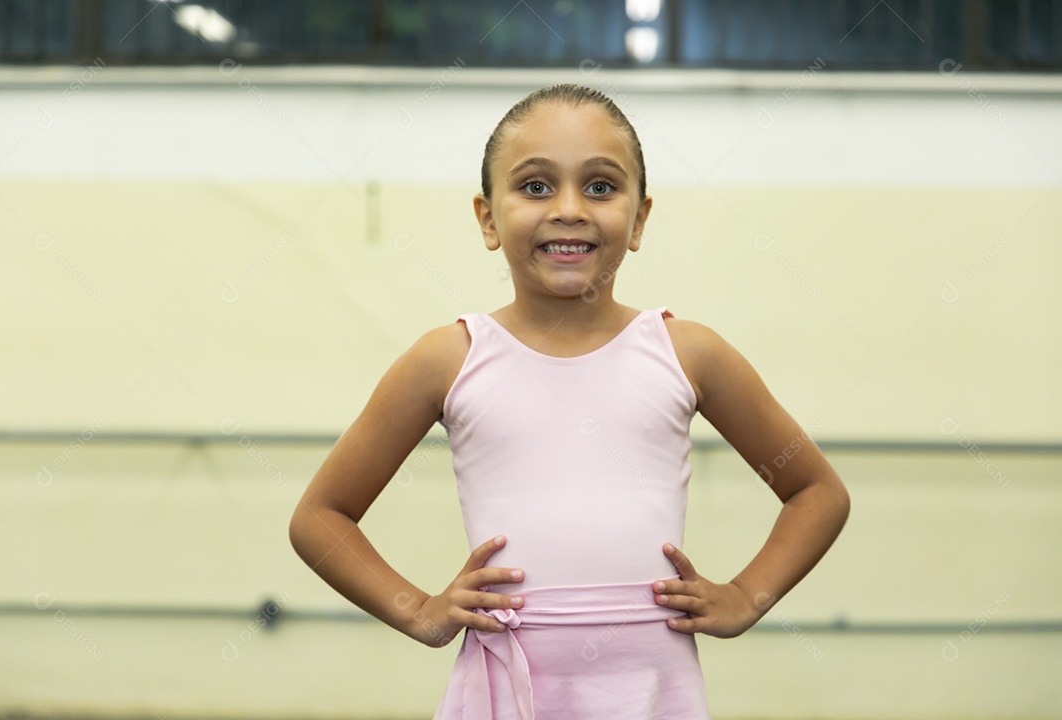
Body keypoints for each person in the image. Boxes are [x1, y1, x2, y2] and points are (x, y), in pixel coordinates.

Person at [289, 83, 851, 719]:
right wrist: (418, 609)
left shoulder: (688, 353)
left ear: (638, 219)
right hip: (508, 681)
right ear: (486, 218)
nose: (569, 209)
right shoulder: (448, 359)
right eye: (534, 187)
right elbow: (321, 516)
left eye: (601, 187)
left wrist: (747, 596)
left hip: (650, 687)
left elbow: (817, 492)